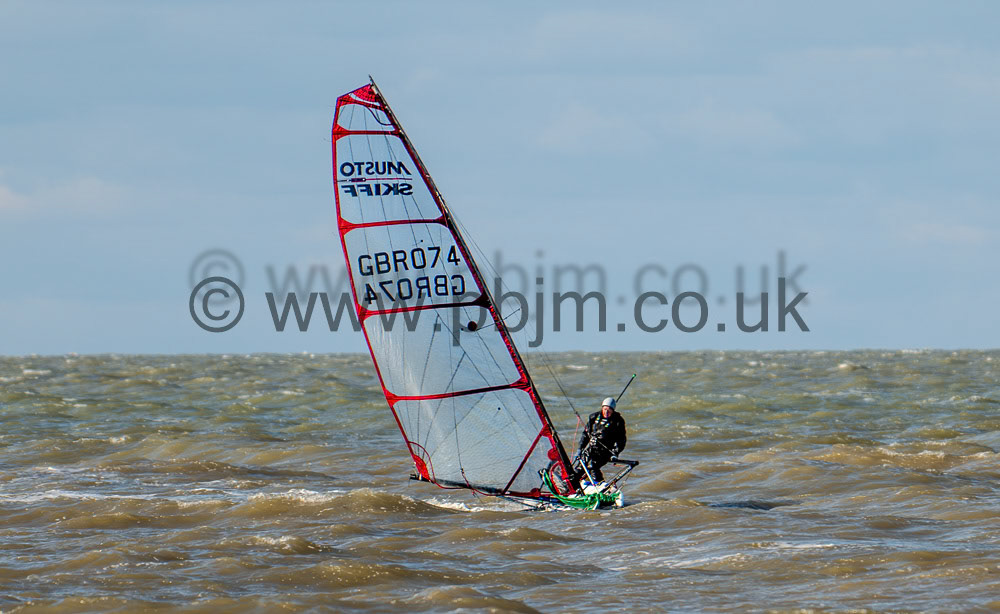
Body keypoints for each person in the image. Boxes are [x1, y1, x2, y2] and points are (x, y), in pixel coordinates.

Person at [576, 397, 627, 482]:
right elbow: (586, 434)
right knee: (580, 466)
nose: (606, 412)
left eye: (609, 410)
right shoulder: (594, 417)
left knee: (593, 465)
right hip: (592, 448)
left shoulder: (618, 421)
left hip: (605, 451)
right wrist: (580, 448)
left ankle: (599, 485)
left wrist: (615, 453)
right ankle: (572, 486)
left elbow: (621, 440)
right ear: (602, 408)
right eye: (605, 409)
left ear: (613, 410)